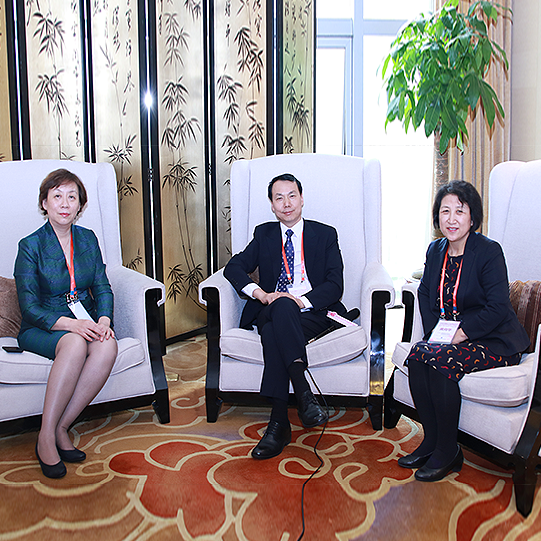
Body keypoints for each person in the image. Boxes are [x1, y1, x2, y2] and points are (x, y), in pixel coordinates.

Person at [399, 180, 529, 482]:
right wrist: (436, 333)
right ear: (437, 217)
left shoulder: (488, 252)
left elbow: (498, 307)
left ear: (473, 217)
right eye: (445, 211)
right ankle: (431, 441)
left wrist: (460, 334)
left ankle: (448, 451)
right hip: (452, 335)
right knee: (418, 356)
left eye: (460, 211)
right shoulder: (436, 250)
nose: (452, 218)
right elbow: (425, 293)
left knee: (441, 362)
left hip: (494, 339)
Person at [224, 172, 348, 459]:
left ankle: (279, 423)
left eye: (292, 196)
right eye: (279, 198)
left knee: (272, 331)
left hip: (311, 311)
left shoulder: (325, 234)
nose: (286, 203)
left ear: (302, 199)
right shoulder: (264, 234)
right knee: (280, 306)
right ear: (272, 205)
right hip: (271, 308)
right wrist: (261, 294)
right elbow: (233, 268)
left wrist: (299, 301)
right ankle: (304, 393)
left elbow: (335, 284)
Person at [14, 169, 118, 479]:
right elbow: (29, 308)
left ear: (80, 206)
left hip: (83, 318)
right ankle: (45, 436)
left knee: (107, 345)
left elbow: (102, 286)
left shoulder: (87, 239)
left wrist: (103, 320)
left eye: (72, 197)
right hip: (41, 326)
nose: (64, 203)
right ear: (44, 203)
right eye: (57, 196)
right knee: (74, 343)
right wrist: (73, 326)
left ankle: (62, 426)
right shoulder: (30, 245)